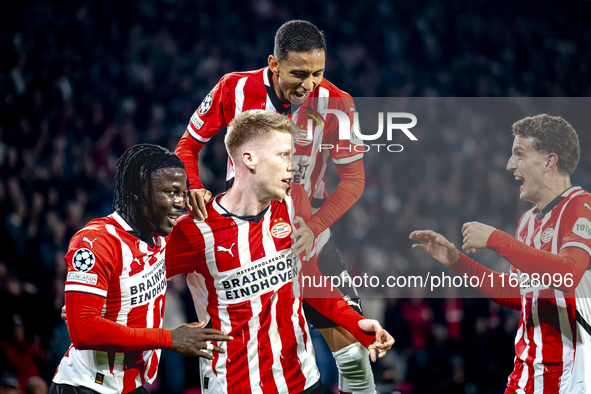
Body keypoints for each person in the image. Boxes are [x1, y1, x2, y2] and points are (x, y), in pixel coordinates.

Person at [175, 20, 373, 393]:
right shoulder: (233, 88)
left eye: (318, 73)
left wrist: (313, 227)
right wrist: (196, 187)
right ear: (273, 64)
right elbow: (188, 145)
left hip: (305, 228)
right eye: (299, 73)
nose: (309, 84)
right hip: (249, 226)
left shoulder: (338, 103)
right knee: (254, 344)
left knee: (354, 348)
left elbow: (354, 181)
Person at [166, 110, 394, 394]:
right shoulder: (193, 228)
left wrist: (358, 324)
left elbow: (310, 281)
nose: (293, 167)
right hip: (234, 386)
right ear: (249, 159)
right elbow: (133, 285)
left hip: (304, 381)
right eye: (283, 155)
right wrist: (165, 338)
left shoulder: (295, 202)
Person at [410, 114, 591, 394]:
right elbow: (517, 293)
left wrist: (496, 239)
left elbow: (568, 274)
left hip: (571, 377)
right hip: (527, 371)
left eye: (519, 154)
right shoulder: (528, 221)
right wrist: (457, 261)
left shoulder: (582, 207)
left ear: (549, 161)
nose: (510, 165)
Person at [51, 144, 233, 394]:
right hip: (87, 385)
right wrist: (169, 338)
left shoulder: (161, 238)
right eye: (170, 192)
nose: (179, 202)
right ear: (138, 192)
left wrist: (199, 196)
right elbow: (83, 331)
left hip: (133, 386)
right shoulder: (96, 241)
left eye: (183, 192)